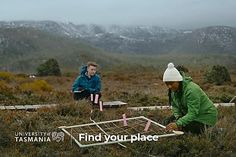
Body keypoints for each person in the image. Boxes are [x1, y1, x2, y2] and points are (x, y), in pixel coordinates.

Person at [162, 63, 217, 134]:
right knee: (166, 122)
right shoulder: (173, 90)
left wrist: (178, 124)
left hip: (205, 117)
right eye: (167, 83)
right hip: (190, 115)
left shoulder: (191, 90)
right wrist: (178, 117)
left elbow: (193, 113)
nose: (169, 86)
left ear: (178, 81)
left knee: (185, 129)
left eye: (171, 83)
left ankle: (215, 131)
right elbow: (175, 107)